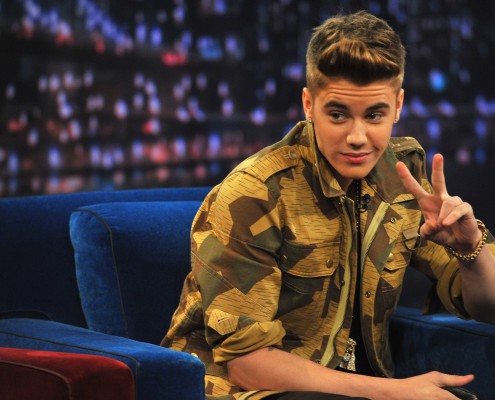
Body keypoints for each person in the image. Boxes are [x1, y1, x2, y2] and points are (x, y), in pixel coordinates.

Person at [161, 10, 495, 400]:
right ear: (308, 104)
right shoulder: (254, 194)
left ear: (398, 105)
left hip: (352, 387)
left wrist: (470, 250)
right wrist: (393, 392)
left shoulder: (403, 180)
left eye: (375, 115)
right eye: (338, 115)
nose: (357, 137)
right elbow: (247, 363)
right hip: (245, 391)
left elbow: (487, 307)